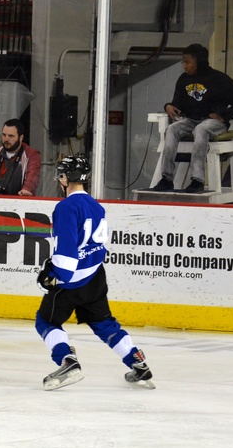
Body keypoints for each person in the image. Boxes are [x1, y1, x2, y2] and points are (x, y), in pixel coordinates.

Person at [35, 156, 154, 390]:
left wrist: (52, 277)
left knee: (46, 321)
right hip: (95, 278)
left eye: (62, 174)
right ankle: (137, 362)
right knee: (104, 323)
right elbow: (96, 247)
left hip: (71, 282)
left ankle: (67, 361)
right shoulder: (96, 205)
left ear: (66, 177)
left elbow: (68, 256)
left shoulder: (66, 207)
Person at [152, 43, 233, 194]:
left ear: (199, 62)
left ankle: (197, 180)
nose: (184, 66)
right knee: (171, 129)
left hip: (213, 123)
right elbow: (177, 103)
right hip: (191, 120)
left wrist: (225, 116)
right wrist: (168, 106)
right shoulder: (184, 79)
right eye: (183, 62)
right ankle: (166, 178)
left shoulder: (219, 79)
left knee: (201, 129)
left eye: (187, 62)